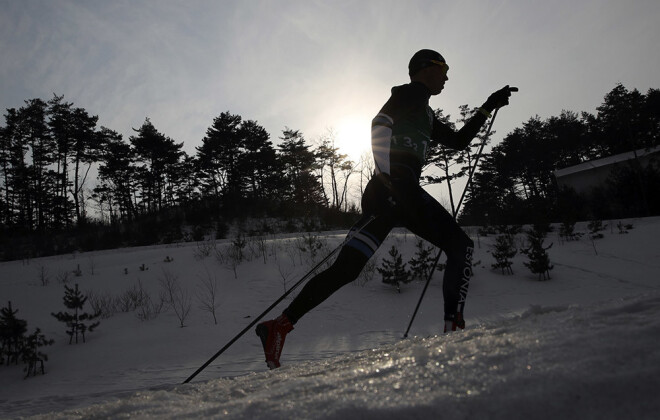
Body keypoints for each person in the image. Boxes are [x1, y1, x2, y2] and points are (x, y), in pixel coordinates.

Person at [256, 49, 514, 369]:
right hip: (394, 191)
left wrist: (488, 106)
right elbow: (379, 124)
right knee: (459, 244)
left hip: (392, 194)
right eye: (442, 68)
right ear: (423, 69)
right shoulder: (410, 94)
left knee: (347, 270)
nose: (447, 76)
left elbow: (460, 141)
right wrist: (390, 180)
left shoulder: (427, 113)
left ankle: (278, 326)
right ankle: (454, 330)